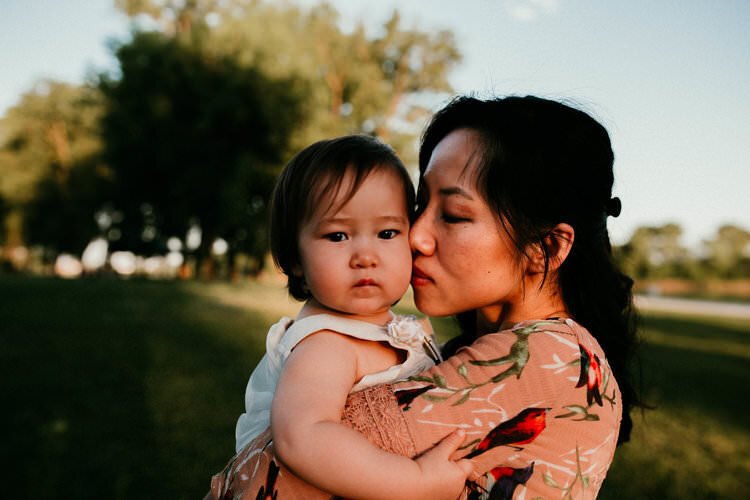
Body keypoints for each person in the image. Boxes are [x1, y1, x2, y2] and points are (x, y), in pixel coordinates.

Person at [210, 95, 639, 499]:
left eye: (452, 215)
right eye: (420, 209)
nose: (415, 237)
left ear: (544, 248)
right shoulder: (450, 353)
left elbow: (269, 483)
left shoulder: (548, 359)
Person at [231, 135, 473, 500]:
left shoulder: (382, 326)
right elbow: (302, 436)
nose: (365, 256)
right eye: (338, 235)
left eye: (387, 233)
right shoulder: (325, 343)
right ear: (295, 257)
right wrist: (414, 481)